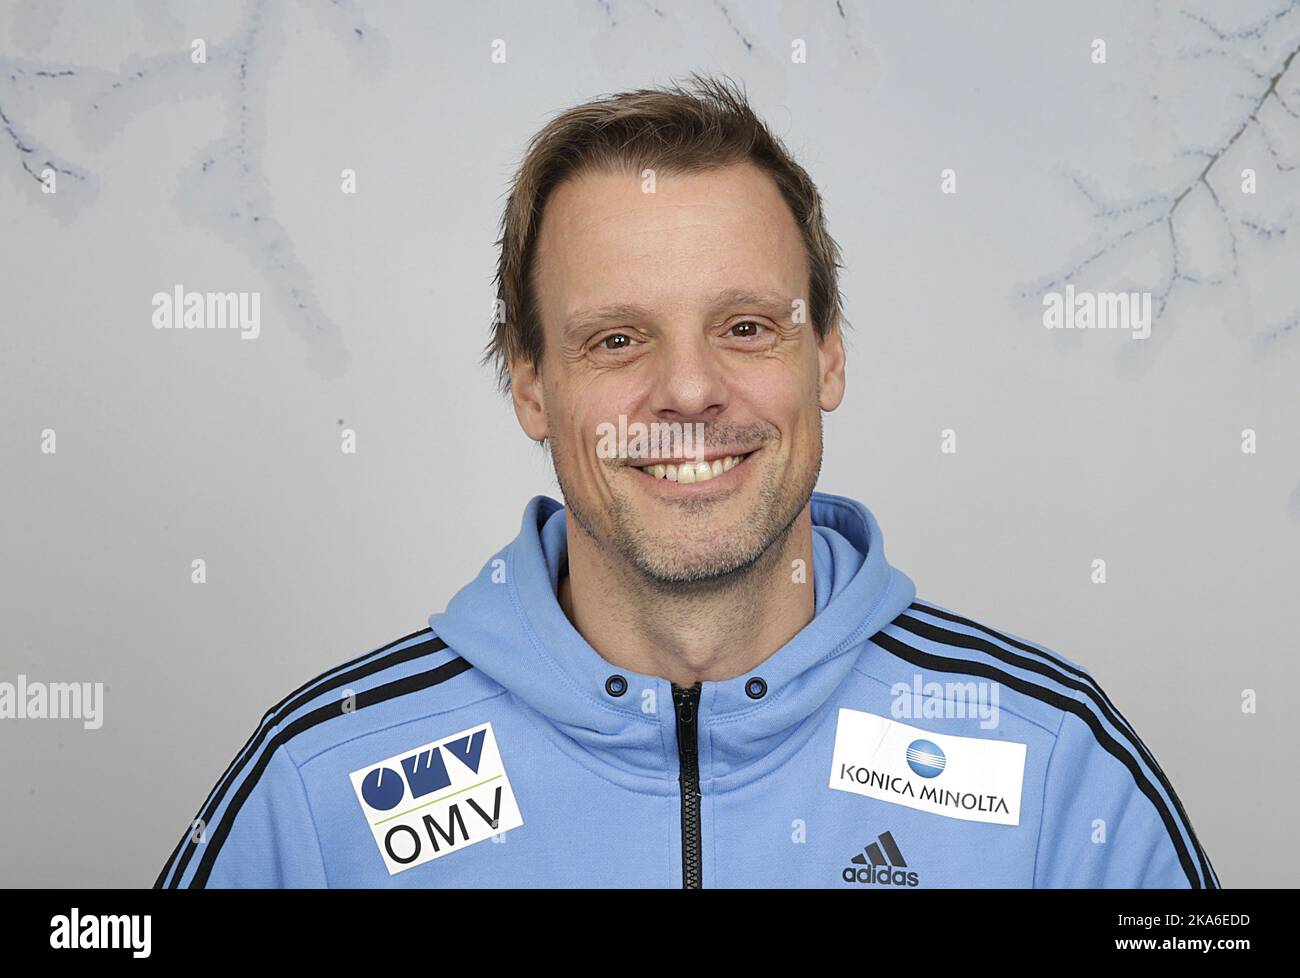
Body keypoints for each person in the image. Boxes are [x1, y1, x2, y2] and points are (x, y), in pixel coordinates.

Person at [155, 73, 1217, 889]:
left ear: (829, 357)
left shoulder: (1053, 761)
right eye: (618, 339)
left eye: (746, 327)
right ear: (530, 385)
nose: (691, 390)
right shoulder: (320, 783)